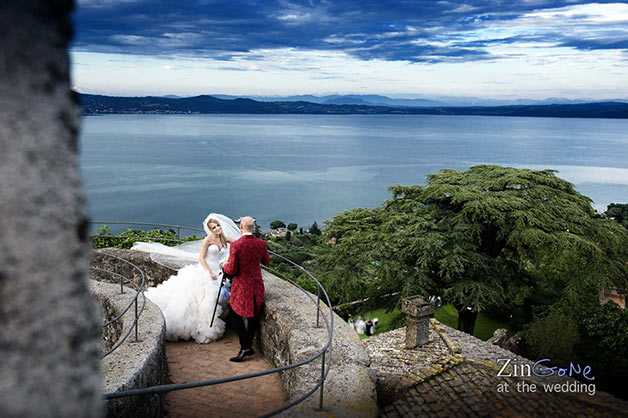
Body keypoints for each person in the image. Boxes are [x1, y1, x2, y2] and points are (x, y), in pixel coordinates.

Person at [133, 213, 241, 343]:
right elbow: (201, 258)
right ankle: (204, 326)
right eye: (214, 227)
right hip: (206, 270)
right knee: (207, 299)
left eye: (218, 225)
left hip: (219, 271)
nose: (217, 228)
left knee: (220, 297)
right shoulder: (208, 240)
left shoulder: (224, 238)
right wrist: (210, 272)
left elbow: (240, 243)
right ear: (210, 230)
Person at [222, 216, 270, 362]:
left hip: (241, 287)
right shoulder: (261, 243)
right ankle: (247, 346)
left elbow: (231, 269)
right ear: (253, 228)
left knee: (234, 314)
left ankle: (245, 346)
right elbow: (266, 262)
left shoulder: (236, 245)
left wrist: (225, 265)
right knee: (254, 317)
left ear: (241, 227)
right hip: (256, 286)